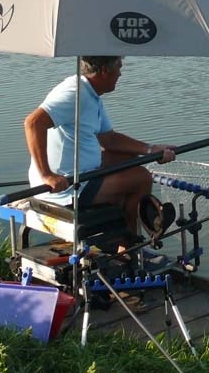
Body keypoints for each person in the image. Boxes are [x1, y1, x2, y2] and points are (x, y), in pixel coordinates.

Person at [25, 55, 176, 238]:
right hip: (66, 187)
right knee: (142, 178)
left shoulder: (90, 93)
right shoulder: (75, 94)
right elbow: (33, 123)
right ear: (105, 70)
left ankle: (124, 227)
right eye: (119, 67)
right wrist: (47, 175)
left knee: (128, 160)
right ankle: (130, 244)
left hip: (84, 171)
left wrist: (151, 150)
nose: (121, 73)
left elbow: (109, 139)